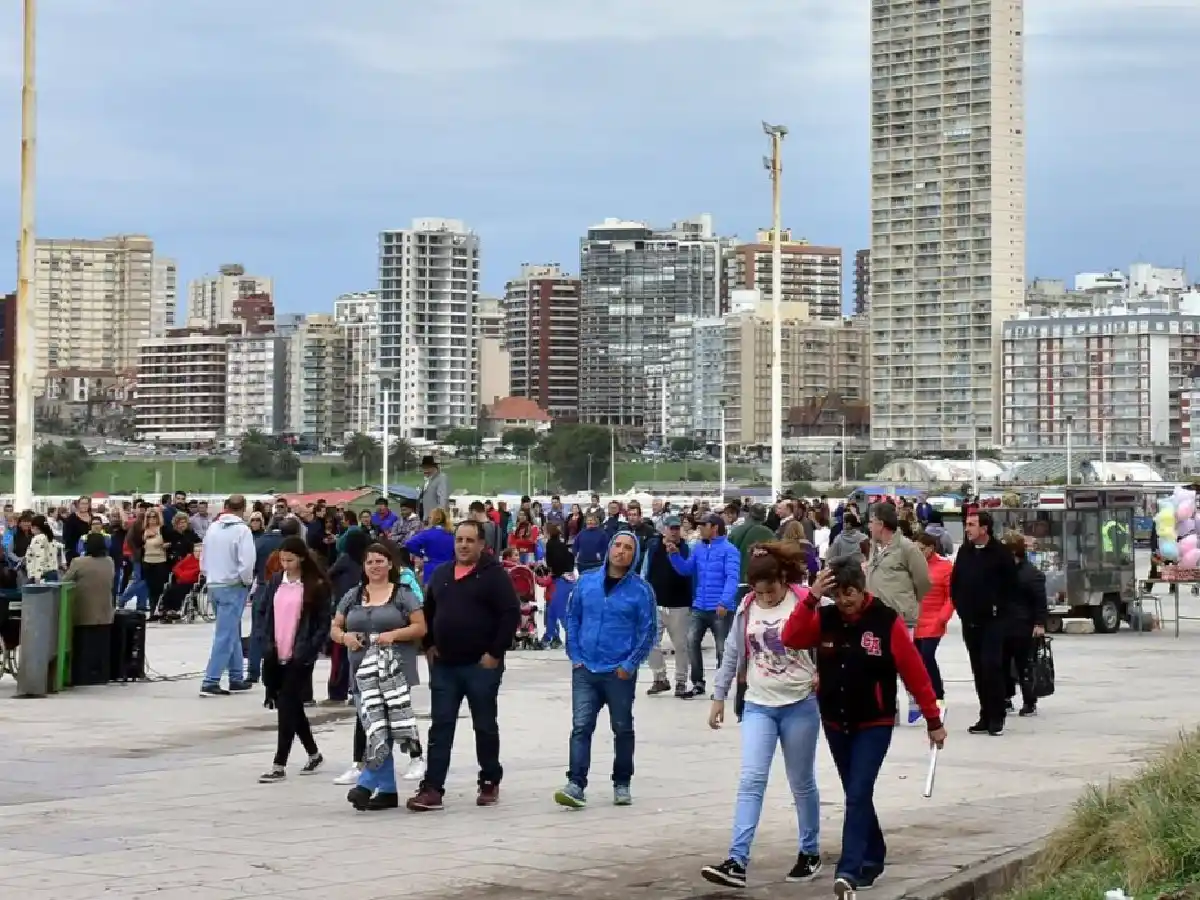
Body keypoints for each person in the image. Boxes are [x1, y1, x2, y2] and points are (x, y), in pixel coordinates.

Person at [781, 559, 946, 897]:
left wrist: (933, 720)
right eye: (838, 595)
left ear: (862, 588)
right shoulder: (825, 618)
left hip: (875, 721)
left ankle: (848, 871)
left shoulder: (885, 621)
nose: (845, 601)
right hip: (835, 720)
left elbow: (914, 672)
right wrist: (811, 599)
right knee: (857, 794)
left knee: (857, 793)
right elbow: (791, 637)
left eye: (851, 593)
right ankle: (874, 856)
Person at [702, 542, 822, 889]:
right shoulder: (746, 606)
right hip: (758, 703)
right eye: (760, 592)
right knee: (751, 780)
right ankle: (736, 860)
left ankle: (809, 851)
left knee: (801, 782)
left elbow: (835, 635)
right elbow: (732, 652)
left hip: (800, 703)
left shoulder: (805, 601)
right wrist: (719, 695)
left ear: (782, 578)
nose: (766, 598)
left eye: (770, 591)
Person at [406, 521, 521, 812]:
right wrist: (429, 644)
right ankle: (432, 788)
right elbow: (428, 611)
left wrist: (495, 653)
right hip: (445, 665)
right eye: (459, 539)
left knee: (484, 725)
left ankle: (489, 779)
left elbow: (510, 614)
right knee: (441, 726)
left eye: (470, 540)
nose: (464, 545)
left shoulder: (494, 576)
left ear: (482, 544)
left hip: (481, 665)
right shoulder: (443, 573)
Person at [554, 531, 656, 809]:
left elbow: (648, 631)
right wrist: (575, 655)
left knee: (622, 728)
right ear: (610, 548)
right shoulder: (587, 583)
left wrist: (630, 664)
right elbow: (572, 616)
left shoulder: (641, 590)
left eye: (628, 548)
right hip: (586, 668)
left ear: (634, 555)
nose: (621, 551)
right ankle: (576, 783)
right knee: (580, 726)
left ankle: (622, 782)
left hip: (618, 672)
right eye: (618, 545)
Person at [331, 543, 427, 807]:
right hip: (362, 672)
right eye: (370, 562)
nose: (374, 566)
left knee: (387, 725)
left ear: (390, 564)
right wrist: (344, 637)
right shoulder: (353, 595)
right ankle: (386, 790)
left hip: (394, 671)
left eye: (380, 561)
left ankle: (368, 781)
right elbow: (335, 627)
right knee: (373, 726)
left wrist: (394, 635)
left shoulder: (403, 595)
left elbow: (420, 627)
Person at [258, 536, 333, 783]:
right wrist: (264, 640)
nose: (285, 564)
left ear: (301, 558)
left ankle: (279, 764)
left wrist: (310, 649)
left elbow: (322, 623)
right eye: (282, 560)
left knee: (287, 707)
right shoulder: (276, 581)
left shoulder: (316, 585)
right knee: (291, 707)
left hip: (299, 654)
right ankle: (314, 753)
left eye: (290, 560)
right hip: (275, 651)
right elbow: (265, 612)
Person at [950, 510, 1018, 735]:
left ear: (984, 528)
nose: (967, 528)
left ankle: (997, 716)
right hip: (971, 621)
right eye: (966, 524)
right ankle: (984, 714)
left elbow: (1011, 587)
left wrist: (1000, 611)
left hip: (994, 622)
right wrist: (961, 609)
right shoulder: (965, 552)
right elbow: (956, 583)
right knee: (978, 668)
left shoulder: (1000, 553)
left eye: (971, 524)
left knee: (992, 667)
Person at [666, 513, 741, 698]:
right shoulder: (699, 548)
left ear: (714, 528)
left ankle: (721, 686)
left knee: (722, 648)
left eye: (703, 526)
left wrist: (724, 601)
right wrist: (674, 555)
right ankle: (698, 682)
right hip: (700, 605)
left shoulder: (730, 550)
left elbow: (732, 578)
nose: (699, 529)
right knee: (691, 642)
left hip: (720, 608)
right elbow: (686, 569)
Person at [199, 495, 256, 697]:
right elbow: (247, 562)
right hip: (233, 585)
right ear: (243, 508)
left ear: (225, 507)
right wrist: (247, 581)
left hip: (214, 583)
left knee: (231, 631)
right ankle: (210, 680)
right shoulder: (242, 530)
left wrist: (209, 576)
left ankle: (236, 676)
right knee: (225, 634)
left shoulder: (213, 528)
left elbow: (203, 558)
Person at [641, 516, 695, 699]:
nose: (674, 531)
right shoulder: (654, 547)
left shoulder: (688, 548)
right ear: (664, 529)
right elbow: (645, 572)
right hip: (656, 604)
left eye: (677, 528)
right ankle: (659, 677)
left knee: (681, 645)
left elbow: (692, 574)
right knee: (650, 641)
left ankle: (681, 681)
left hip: (680, 604)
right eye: (671, 528)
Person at [247, 518, 298, 686]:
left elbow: (252, 565)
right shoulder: (294, 548)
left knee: (258, 630)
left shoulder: (259, 541)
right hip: (285, 589)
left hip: (262, 586)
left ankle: (253, 671)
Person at [1002, 533, 1047, 718]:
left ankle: (1029, 700)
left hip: (1023, 626)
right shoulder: (1002, 571)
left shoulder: (1032, 574)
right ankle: (1006, 697)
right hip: (1004, 624)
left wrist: (1039, 623)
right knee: (1002, 663)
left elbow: (1040, 601)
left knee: (1024, 665)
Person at [912, 533, 955, 715]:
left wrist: (943, 617)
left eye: (921, 549)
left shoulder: (945, 567)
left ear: (931, 548)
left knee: (927, 656)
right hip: (914, 620)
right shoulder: (912, 567)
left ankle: (938, 695)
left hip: (934, 620)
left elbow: (951, 596)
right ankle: (922, 696)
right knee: (917, 661)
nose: (919, 553)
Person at [62, 532, 116, 630]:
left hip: (84, 615)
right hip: (105, 615)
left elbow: (65, 581)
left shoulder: (78, 562)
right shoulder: (109, 561)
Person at [542, 522, 575, 648]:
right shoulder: (561, 545)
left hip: (559, 579)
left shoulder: (551, 545)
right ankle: (549, 637)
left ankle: (568, 637)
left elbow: (554, 562)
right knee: (552, 610)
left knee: (558, 611)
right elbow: (570, 558)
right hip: (565, 579)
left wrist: (552, 571)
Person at [404, 508, 455, 587]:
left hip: (431, 570)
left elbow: (409, 543)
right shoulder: (452, 535)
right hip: (449, 570)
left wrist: (421, 555)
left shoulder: (427, 533)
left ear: (433, 519)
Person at [419, 456, 449, 524]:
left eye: (427, 468)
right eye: (423, 468)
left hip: (436, 519)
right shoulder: (427, 479)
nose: (425, 470)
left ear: (434, 467)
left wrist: (438, 517)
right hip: (426, 517)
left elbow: (442, 498)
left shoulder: (441, 478)